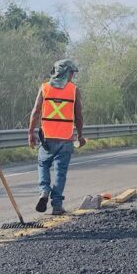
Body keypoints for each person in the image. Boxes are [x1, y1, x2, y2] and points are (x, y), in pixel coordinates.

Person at [28, 59, 85, 215]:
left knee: (43, 165)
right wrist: (80, 136)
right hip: (66, 139)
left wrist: (30, 133)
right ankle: (57, 205)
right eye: (72, 73)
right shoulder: (74, 90)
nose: (73, 76)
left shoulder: (44, 88)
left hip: (47, 138)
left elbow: (35, 112)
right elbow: (78, 116)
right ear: (67, 73)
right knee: (60, 172)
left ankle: (44, 190)